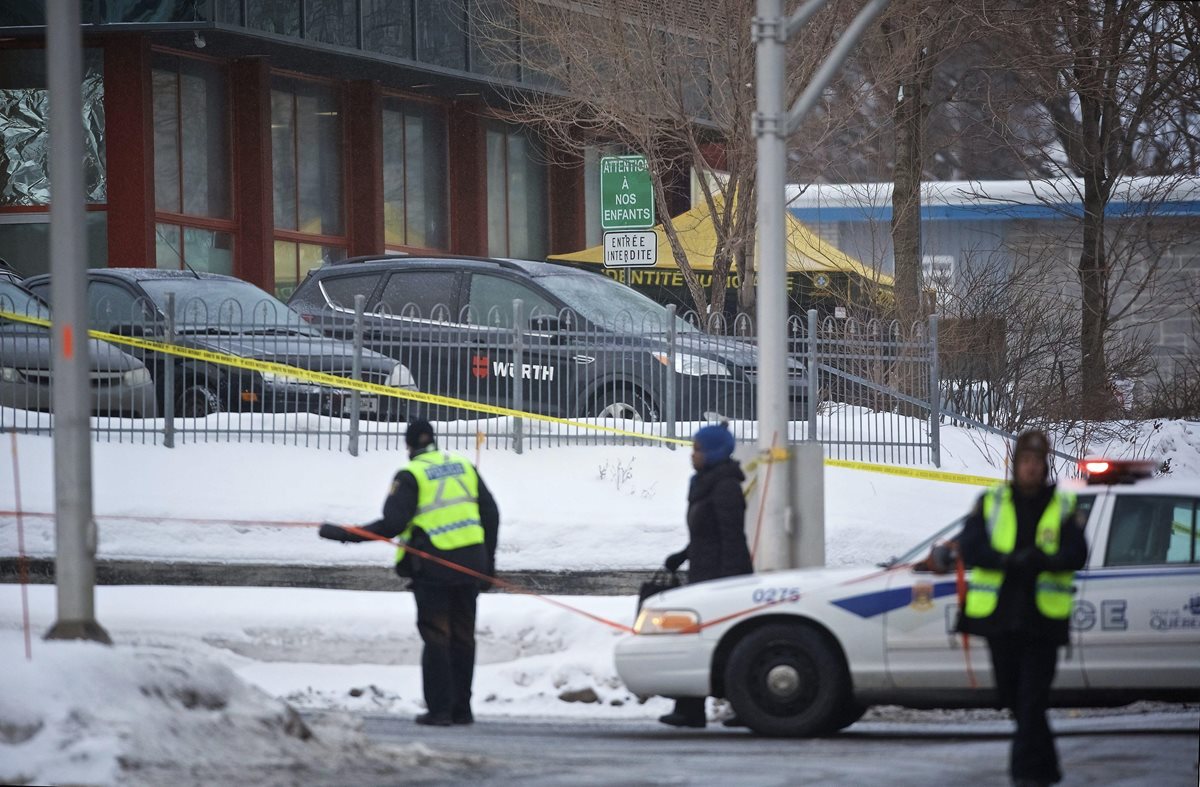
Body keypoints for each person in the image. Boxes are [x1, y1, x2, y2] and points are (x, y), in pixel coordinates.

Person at [318, 419, 499, 727]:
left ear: (409, 445)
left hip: (433, 568)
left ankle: (440, 711)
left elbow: (392, 525)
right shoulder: (463, 466)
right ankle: (462, 710)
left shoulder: (411, 474)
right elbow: (491, 514)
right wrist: (488, 565)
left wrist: (344, 534)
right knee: (464, 638)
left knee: (438, 637)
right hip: (470, 565)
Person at [955, 429, 1087, 786]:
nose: (1030, 468)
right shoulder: (991, 501)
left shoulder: (1063, 505)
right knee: (1014, 699)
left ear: (1045, 466)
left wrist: (1043, 561)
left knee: (1031, 701)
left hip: (1043, 623)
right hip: (1001, 622)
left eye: (1036, 462)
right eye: (1024, 461)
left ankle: (1025, 776)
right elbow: (970, 546)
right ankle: (1047, 769)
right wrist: (1008, 560)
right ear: (1015, 465)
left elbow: (1077, 554)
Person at [658, 422, 753, 728]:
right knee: (697, 640)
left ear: (714, 452)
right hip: (702, 573)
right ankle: (690, 708)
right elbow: (705, 535)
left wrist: (731, 584)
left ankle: (744, 705)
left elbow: (732, 538)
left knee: (722, 641)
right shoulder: (704, 482)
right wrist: (682, 556)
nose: (692, 454)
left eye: (697, 449)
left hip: (719, 580)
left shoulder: (725, 487)